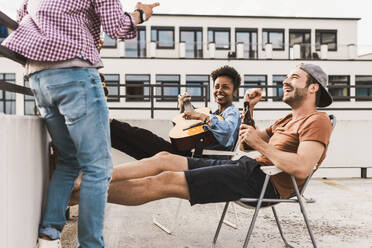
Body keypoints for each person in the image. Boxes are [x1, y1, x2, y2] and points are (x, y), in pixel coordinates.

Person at [2, 1, 159, 247]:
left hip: (39, 78)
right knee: (98, 168)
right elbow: (117, 27)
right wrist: (140, 14)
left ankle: (49, 235)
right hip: (74, 74)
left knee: (69, 160)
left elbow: (22, 19)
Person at [71, 63, 333, 211]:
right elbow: (244, 143)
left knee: (164, 180)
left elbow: (301, 168)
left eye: (294, 78)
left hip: (264, 184)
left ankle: (81, 193)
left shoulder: (317, 120)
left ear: (313, 88)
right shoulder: (286, 119)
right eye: (286, 77)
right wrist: (249, 110)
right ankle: (86, 180)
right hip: (248, 168)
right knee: (163, 157)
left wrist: (260, 144)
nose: (285, 82)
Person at [109, 65, 242, 159]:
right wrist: (185, 110)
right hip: (192, 155)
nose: (219, 90)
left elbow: (227, 131)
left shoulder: (232, 112)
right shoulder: (215, 113)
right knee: (138, 150)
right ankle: (107, 133)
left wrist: (201, 116)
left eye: (226, 87)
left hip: (200, 161)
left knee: (144, 138)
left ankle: (110, 124)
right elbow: (191, 133)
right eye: (217, 86)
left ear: (235, 92)